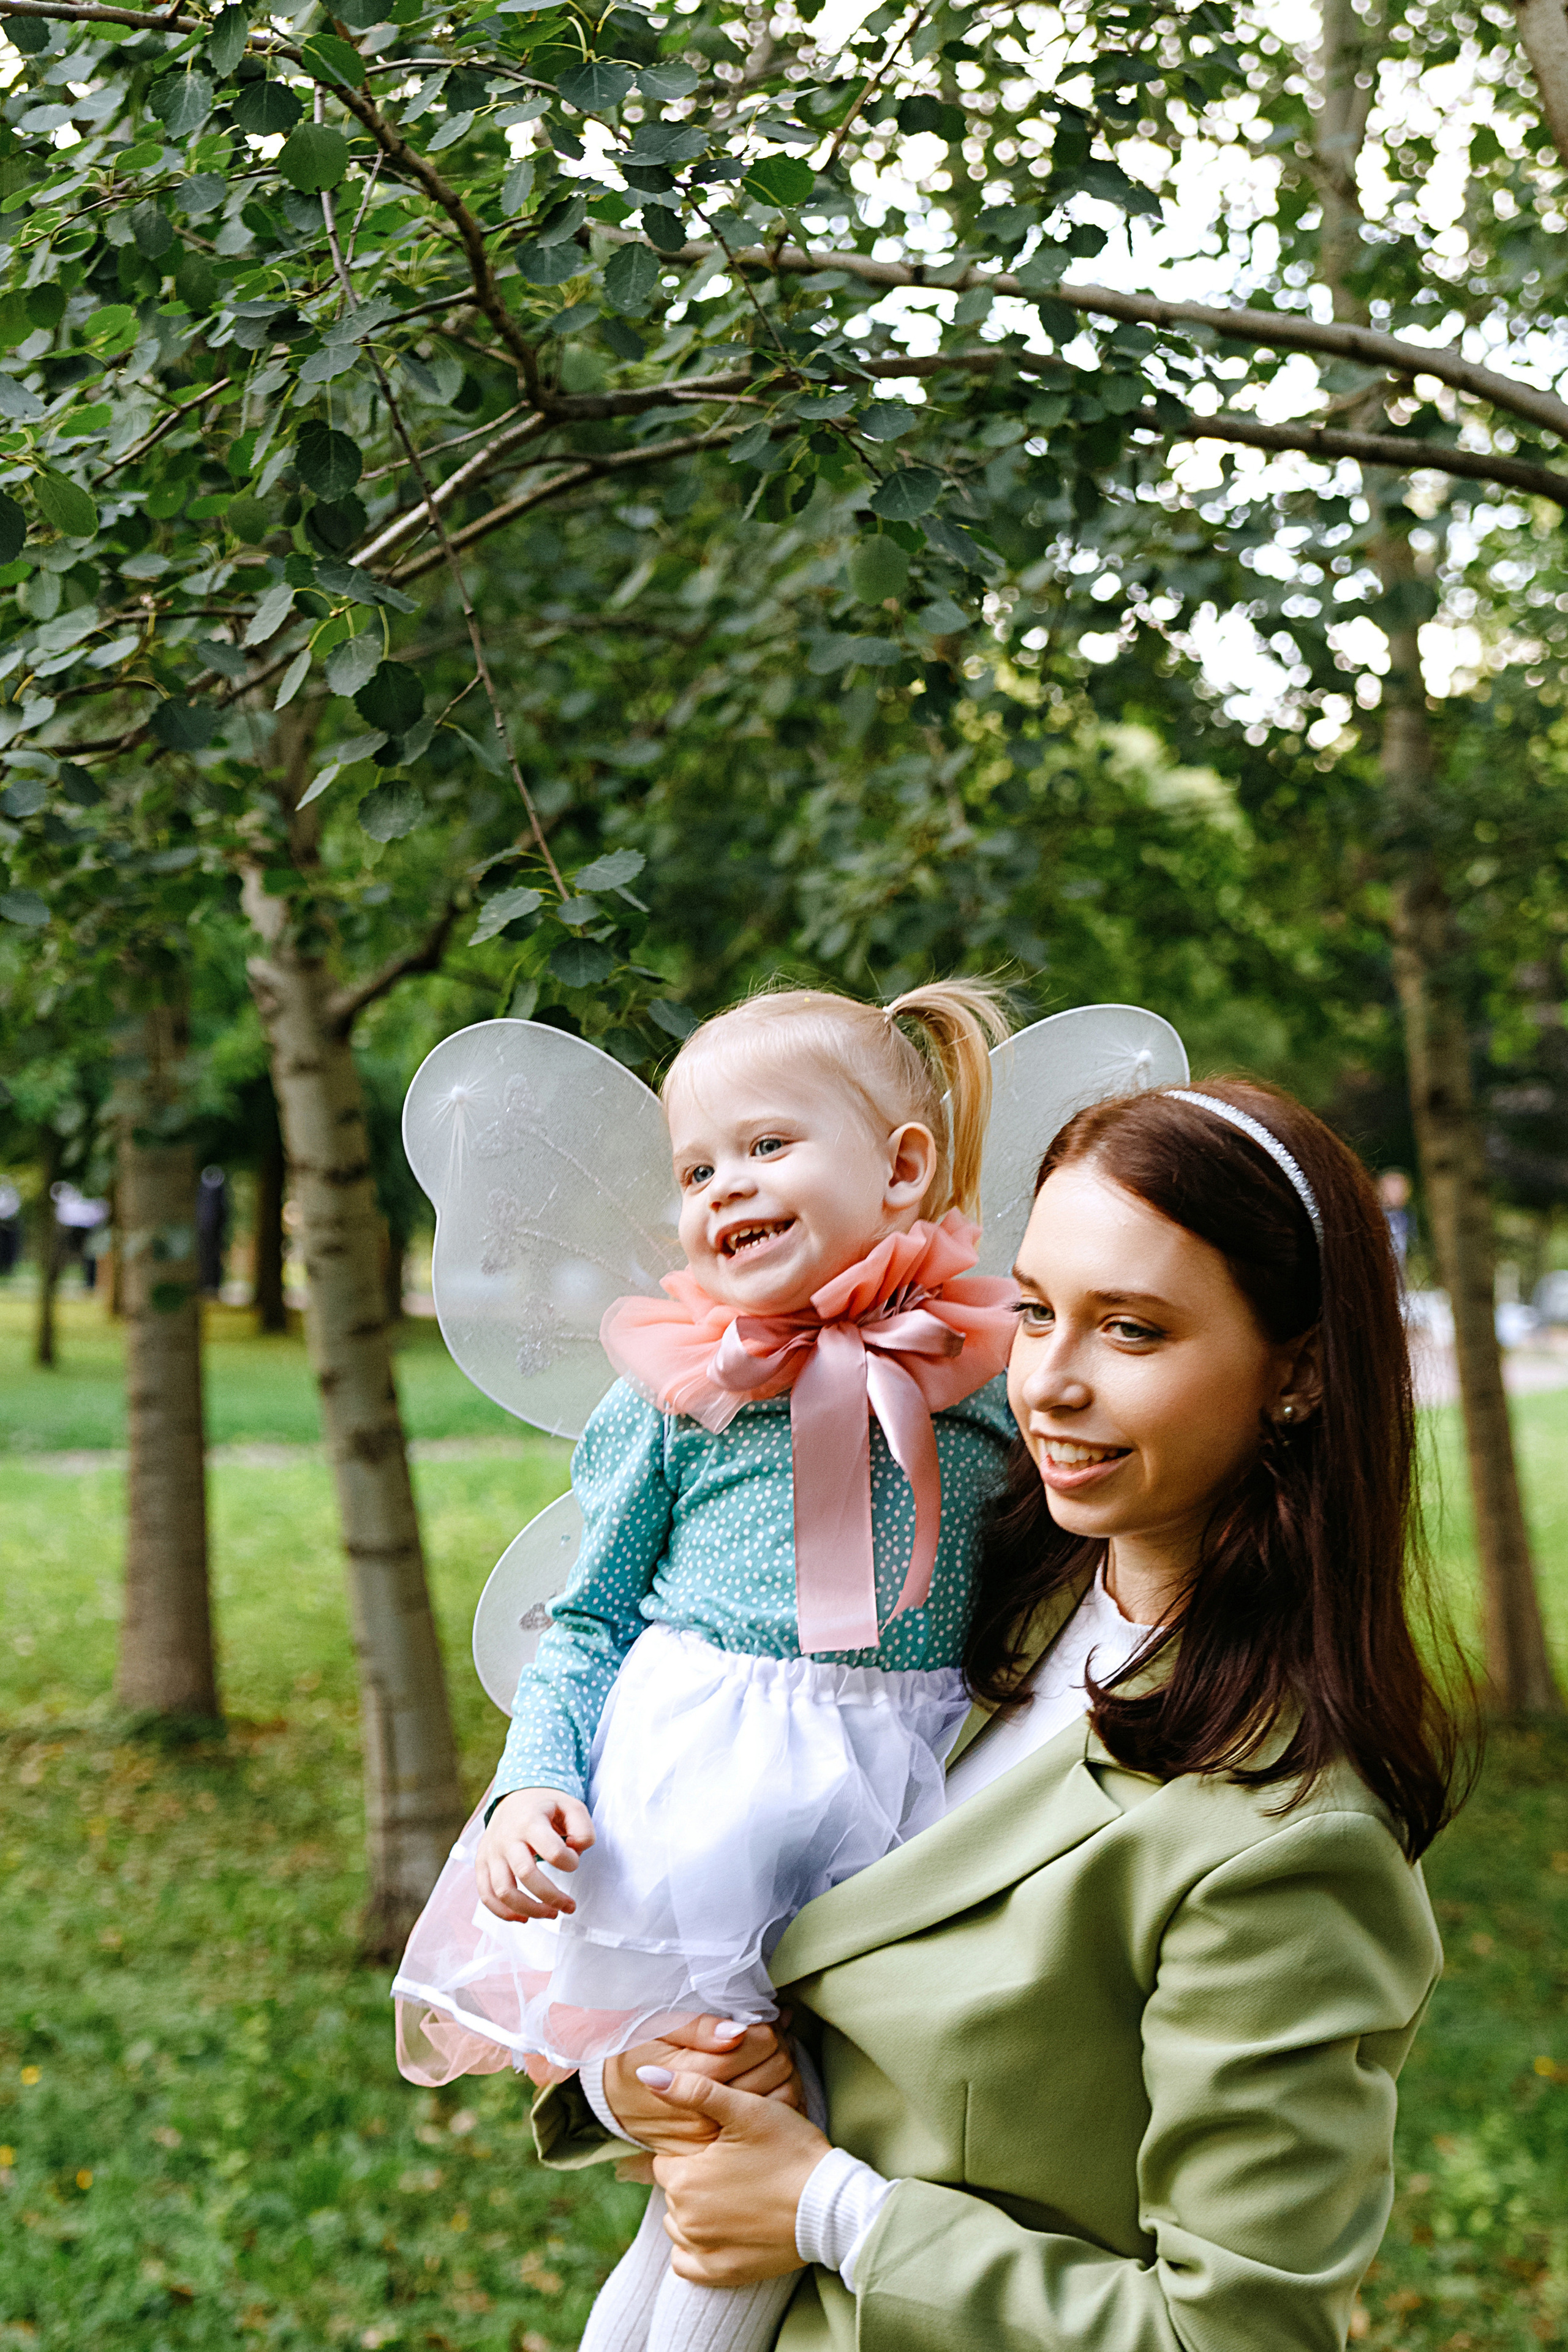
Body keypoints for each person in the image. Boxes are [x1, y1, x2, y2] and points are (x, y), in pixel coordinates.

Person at [533, 1078, 1468, 2352]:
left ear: (1293, 1372)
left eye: (1131, 1331)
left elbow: (1237, 2336)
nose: (1048, 1384)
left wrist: (832, 2213)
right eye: (1033, 1312)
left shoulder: (1288, 1838)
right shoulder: (959, 1603)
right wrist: (641, 2080)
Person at [392, 984, 1024, 2352]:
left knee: (767, 2154)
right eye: (696, 1168)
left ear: (902, 1168)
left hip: (908, 1804)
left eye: (766, 1147)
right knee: (739, 2123)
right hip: (718, 1801)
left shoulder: (983, 1373)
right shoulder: (680, 1391)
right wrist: (525, 1788)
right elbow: (586, 1617)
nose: (723, 1186)